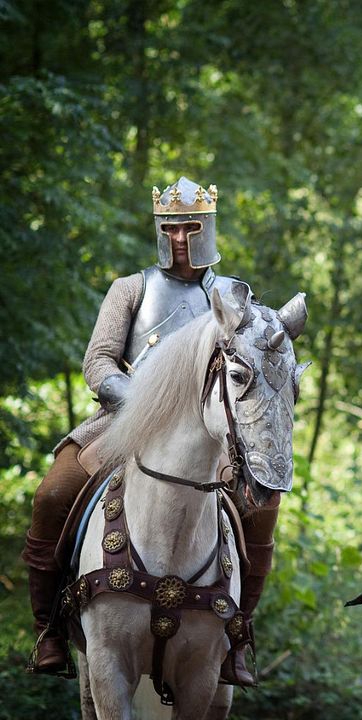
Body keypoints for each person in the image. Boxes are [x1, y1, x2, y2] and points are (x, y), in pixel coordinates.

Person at [22, 178, 274, 686]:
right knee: (53, 493)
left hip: (210, 433)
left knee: (264, 506)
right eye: (170, 228)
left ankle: (237, 634)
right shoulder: (130, 288)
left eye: (190, 227)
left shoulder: (236, 298)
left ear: (207, 227)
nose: (179, 237)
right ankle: (49, 630)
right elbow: (98, 360)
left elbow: (254, 367)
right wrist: (142, 402)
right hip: (126, 420)